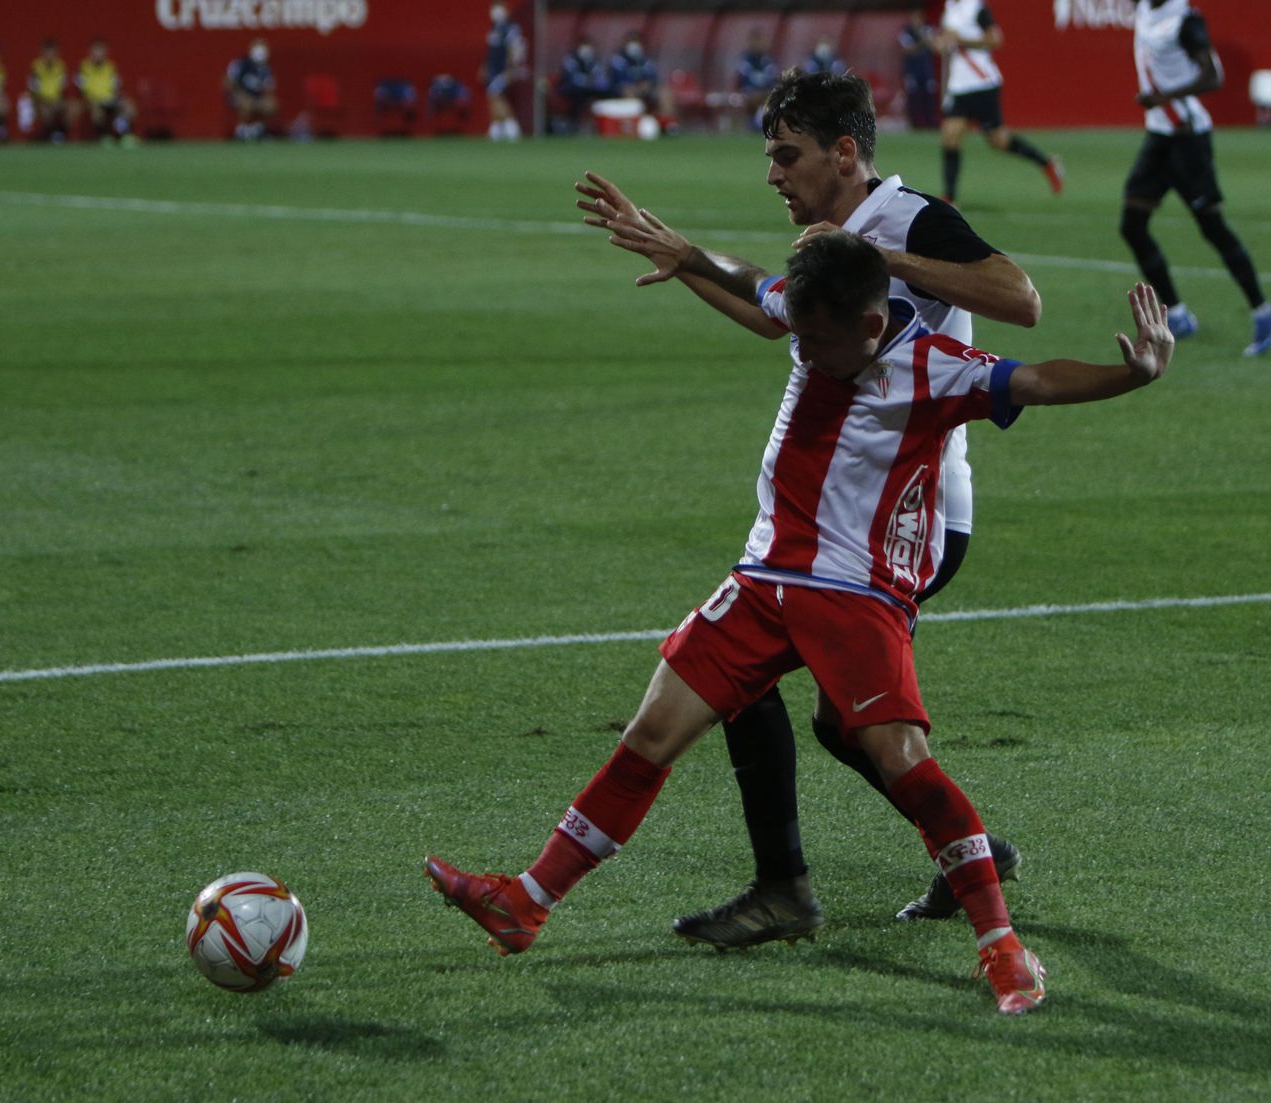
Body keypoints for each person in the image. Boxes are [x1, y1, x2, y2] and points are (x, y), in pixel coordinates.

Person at [426, 225, 1173, 1017]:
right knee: (650, 733)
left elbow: (1039, 381)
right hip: (762, 580)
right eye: (801, 335)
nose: (805, 352)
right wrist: (686, 255)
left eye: (820, 340)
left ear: (872, 325)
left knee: (902, 761)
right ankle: (526, 902)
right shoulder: (814, 316)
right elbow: (755, 283)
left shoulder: (933, 369)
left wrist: (1133, 375)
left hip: (856, 595)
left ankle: (1002, 946)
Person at [574, 69, 1042, 951]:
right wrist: (685, 258)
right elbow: (774, 318)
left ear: (846, 153)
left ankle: (789, 889)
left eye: (787, 156)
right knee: (831, 716)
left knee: (748, 677)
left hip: (909, 520)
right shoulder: (833, 236)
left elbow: (1020, 299)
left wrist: (882, 261)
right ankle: (956, 854)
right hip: (839, 518)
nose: (773, 175)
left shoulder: (908, 219)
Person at [1123, 0, 1271, 357]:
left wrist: (1164, 95)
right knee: (1133, 225)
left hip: (1187, 138)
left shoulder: (1184, 21)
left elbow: (1214, 76)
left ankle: (1264, 312)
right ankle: (1178, 315)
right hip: (1160, 135)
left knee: (1211, 227)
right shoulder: (1146, 9)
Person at [935, 0, 1063, 202]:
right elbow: (947, 42)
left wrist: (962, 41)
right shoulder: (950, 9)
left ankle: (1046, 163)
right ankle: (949, 198)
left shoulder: (976, 8)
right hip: (959, 86)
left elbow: (995, 39)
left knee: (998, 140)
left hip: (982, 83)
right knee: (950, 136)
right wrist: (941, 43)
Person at [609, 30, 676, 133]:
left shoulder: (645, 59)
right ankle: (638, 126)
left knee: (664, 93)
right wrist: (635, 86)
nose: (634, 45)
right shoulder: (618, 60)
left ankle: (667, 125)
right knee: (629, 92)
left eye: (636, 41)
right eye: (630, 42)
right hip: (626, 90)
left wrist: (647, 84)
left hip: (646, 88)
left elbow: (653, 76)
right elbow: (617, 79)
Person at [76, 39, 137, 145]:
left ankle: (124, 135)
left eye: (101, 51)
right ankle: (103, 136)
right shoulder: (84, 67)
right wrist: (92, 99)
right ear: (90, 52)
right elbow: (82, 89)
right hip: (93, 100)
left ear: (106, 52)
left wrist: (117, 97)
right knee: (96, 108)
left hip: (110, 99)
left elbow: (116, 87)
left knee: (128, 106)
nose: (98, 54)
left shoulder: (111, 67)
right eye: (96, 50)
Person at [482, 2, 526, 141]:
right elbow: (491, 51)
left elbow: (514, 48)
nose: (495, 12)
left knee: (496, 95)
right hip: (493, 68)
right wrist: (485, 67)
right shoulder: (494, 27)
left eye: (498, 9)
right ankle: (498, 127)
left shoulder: (511, 28)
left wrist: (510, 69)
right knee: (494, 96)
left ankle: (511, 127)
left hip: (503, 69)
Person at [224, 38, 277, 141]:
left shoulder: (265, 68)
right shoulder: (241, 64)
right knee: (246, 104)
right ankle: (242, 130)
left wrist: (267, 99)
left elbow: (268, 88)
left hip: (256, 97)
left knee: (270, 105)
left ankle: (257, 129)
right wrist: (240, 95)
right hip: (238, 95)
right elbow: (228, 82)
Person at [557, 37, 608, 135]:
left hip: (590, 89)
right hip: (571, 88)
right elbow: (571, 77)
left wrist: (592, 82)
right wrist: (588, 81)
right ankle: (575, 124)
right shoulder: (571, 59)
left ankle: (600, 125)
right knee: (578, 94)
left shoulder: (594, 60)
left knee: (605, 93)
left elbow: (600, 77)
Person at [900, 8, 940, 131]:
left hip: (926, 69)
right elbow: (908, 50)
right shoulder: (906, 31)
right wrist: (923, 42)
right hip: (912, 69)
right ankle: (915, 123)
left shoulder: (927, 29)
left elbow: (935, 46)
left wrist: (926, 41)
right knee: (914, 96)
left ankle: (931, 122)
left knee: (929, 95)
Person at [27, 38, 74, 143]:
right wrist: (44, 103)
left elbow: (62, 89)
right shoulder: (36, 67)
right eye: (48, 52)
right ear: (43, 53)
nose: (50, 55)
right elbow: (33, 91)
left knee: (72, 108)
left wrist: (57, 102)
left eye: (53, 52)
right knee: (46, 112)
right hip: (41, 102)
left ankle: (61, 134)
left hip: (56, 100)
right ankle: (48, 136)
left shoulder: (60, 66)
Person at [734, 30, 779, 130]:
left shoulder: (767, 58)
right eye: (757, 40)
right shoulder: (745, 58)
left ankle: (762, 122)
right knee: (755, 96)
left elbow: (772, 75)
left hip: (765, 90)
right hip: (749, 90)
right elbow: (745, 77)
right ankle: (754, 123)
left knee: (771, 96)